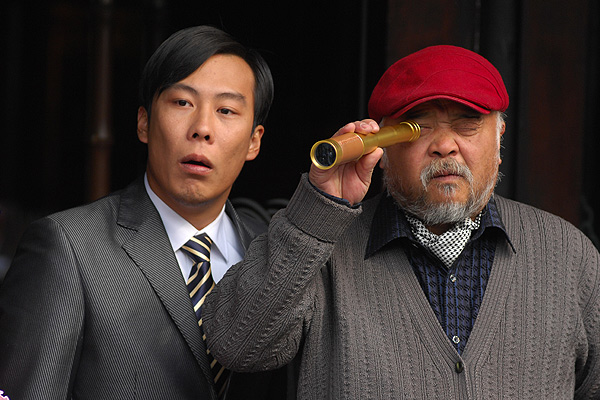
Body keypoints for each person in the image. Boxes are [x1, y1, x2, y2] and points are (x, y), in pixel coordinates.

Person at [203, 45, 600, 399]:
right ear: (383, 148)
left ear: (499, 139)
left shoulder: (568, 255)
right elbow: (238, 346)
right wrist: (318, 211)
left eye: (467, 122)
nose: (444, 145)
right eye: (418, 126)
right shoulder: (322, 249)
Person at [0, 25, 286, 400]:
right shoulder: (68, 248)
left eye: (226, 110)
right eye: (182, 103)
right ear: (144, 122)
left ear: (254, 141)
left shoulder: (273, 254)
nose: (202, 128)